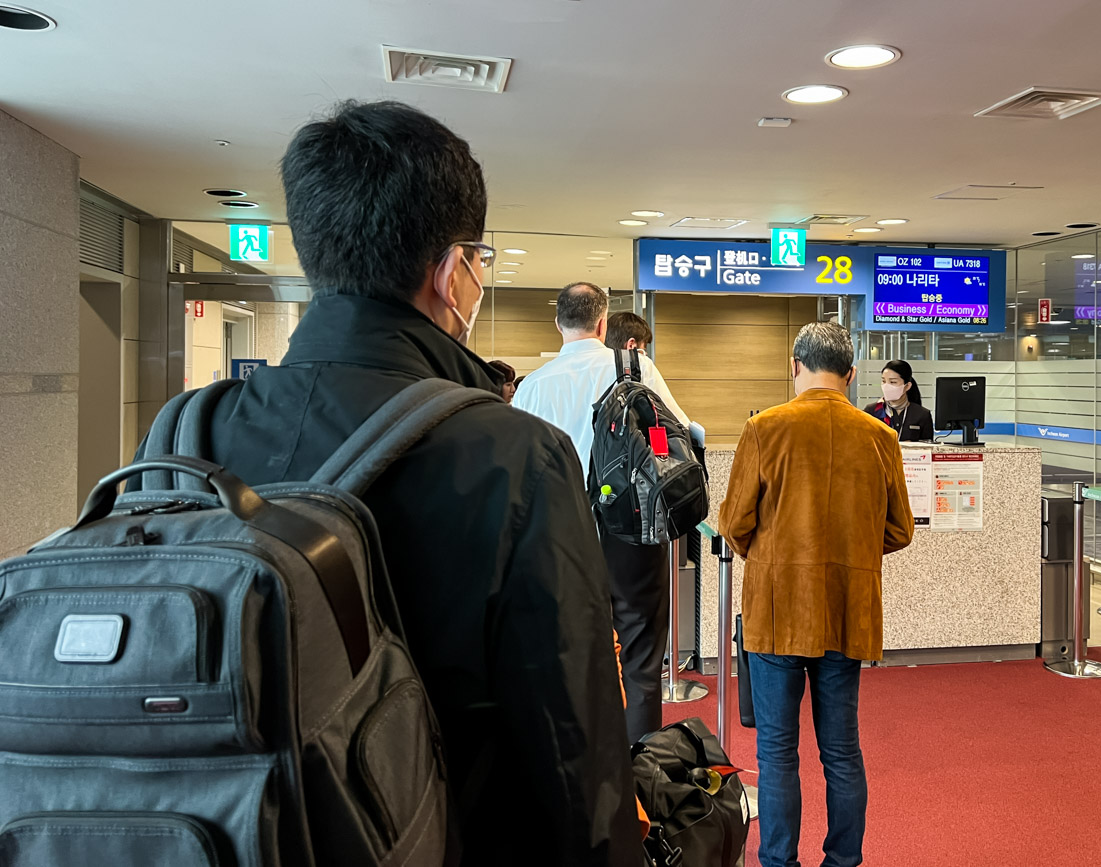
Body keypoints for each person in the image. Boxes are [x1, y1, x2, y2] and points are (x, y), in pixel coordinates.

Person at [152, 101, 641, 866]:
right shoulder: (515, 456)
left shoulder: (184, 433)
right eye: (478, 262)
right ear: (452, 271)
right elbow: (573, 755)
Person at [719, 322, 914, 867]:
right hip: (847, 614)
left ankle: (779, 861)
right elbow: (899, 531)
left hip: (777, 612)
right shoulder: (880, 436)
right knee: (843, 752)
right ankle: (843, 861)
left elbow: (734, 523)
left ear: (794, 366)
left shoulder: (765, 428)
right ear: (851, 375)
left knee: (777, 754)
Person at [514, 285, 691, 743]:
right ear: (601, 323)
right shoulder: (634, 369)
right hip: (631, 533)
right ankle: (641, 770)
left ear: (558, 324)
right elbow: (680, 436)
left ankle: (584, 772)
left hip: (558, 538)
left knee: (569, 652)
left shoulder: (531, 387)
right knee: (640, 657)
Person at [866, 359, 934, 442]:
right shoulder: (872, 411)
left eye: (893, 382)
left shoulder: (922, 414)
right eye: (884, 381)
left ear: (907, 386)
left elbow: (928, 448)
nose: (886, 386)